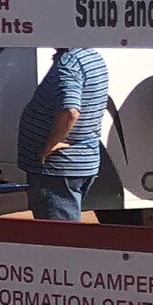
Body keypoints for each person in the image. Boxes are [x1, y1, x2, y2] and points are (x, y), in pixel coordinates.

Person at [17, 45, 111, 223]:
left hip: (58, 169)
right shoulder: (91, 56)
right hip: (80, 160)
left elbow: (70, 111)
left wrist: (51, 144)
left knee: (59, 238)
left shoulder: (70, 63)